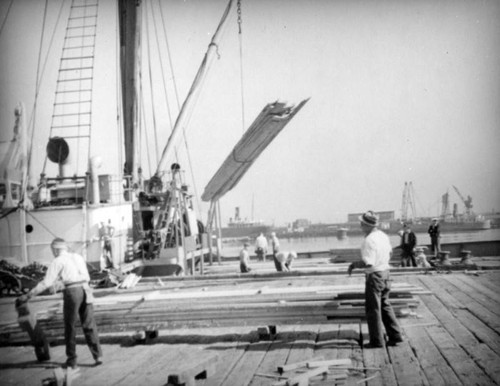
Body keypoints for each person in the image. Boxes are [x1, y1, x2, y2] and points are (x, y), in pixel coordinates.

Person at [19, 238, 102, 368]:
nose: (52, 252)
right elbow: (87, 276)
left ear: (55, 249)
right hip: (86, 289)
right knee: (89, 324)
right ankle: (98, 356)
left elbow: (46, 283)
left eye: (52, 250)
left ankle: (72, 360)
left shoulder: (57, 261)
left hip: (72, 292)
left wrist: (29, 295)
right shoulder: (78, 257)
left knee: (70, 326)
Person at [348, 211, 403, 348]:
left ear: (365, 225)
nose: (360, 227)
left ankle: (377, 341)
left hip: (375, 276)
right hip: (386, 273)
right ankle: (395, 335)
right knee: (385, 305)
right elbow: (390, 252)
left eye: (361, 224)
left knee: (373, 309)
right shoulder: (383, 236)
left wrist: (354, 265)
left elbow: (369, 263)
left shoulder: (369, 240)